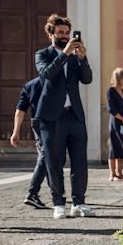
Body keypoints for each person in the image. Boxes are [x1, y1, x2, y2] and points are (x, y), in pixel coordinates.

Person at [35, 13, 94, 220]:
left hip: (75, 115)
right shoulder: (43, 54)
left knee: (79, 162)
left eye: (67, 33)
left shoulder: (74, 56)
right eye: (60, 32)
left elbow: (87, 79)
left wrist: (82, 58)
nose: (64, 36)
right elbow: (47, 74)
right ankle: (58, 203)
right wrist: (64, 54)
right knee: (54, 161)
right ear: (51, 33)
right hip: (52, 117)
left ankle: (79, 202)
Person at [10, 77, 48, 208]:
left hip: (36, 121)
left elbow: (20, 110)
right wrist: (15, 132)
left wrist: (16, 132)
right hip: (50, 121)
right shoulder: (55, 81)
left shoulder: (30, 85)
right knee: (46, 155)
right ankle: (32, 193)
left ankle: (55, 190)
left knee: (48, 155)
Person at [107, 67, 123, 181]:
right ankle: (112, 174)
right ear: (118, 78)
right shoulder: (110, 91)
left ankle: (119, 173)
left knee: (122, 146)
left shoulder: (122, 91)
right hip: (115, 122)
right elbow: (111, 109)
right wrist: (122, 119)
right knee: (114, 147)